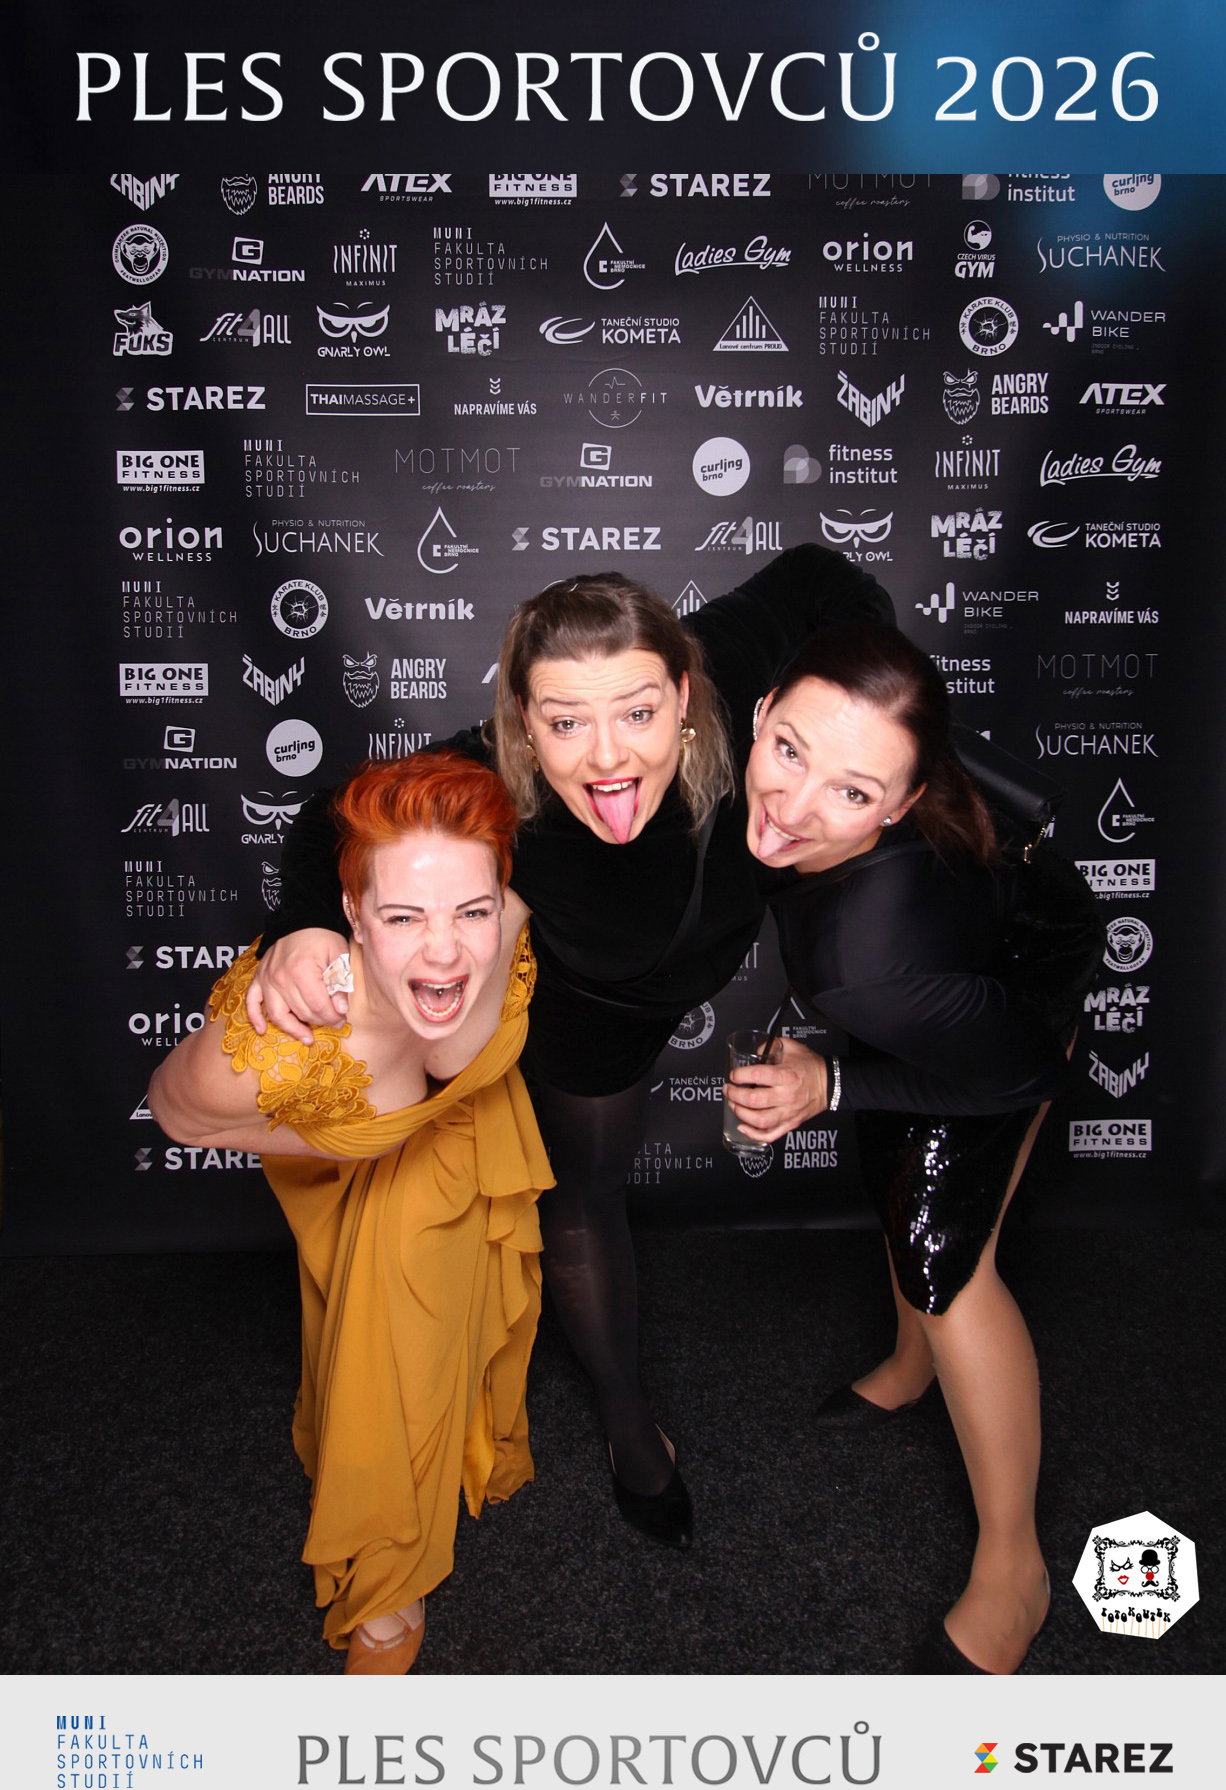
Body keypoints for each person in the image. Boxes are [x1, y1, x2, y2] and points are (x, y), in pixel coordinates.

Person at [247, 548, 894, 1546]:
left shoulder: (727, 666)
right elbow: (331, 816)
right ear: (521, 722)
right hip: (591, 1014)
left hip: (712, 939)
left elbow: (820, 575)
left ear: (684, 692)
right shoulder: (482, 776)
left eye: (637, 712)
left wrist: (862, 720)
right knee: (585, 1196)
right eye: (563, 723)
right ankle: (630, 1427)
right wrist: (301, 925)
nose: (606, 757)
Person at [725, 622, 1104, 1674]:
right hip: (927, 966)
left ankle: (1014, 1569)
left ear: (897, 804)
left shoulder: (869, 964)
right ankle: (909, 1368)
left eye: (850, 792)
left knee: (943, 1255)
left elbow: (1019, 1072)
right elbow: (813, 579)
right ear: (760, 711)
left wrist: (833, 1082)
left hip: (1013, 989)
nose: (791, 805)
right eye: (789, 749)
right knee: (890, 1175)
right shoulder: (831, 822)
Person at [148, 753, 552, 1673]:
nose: (445, 952)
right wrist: (348, 1137)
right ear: (351, 917)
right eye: (403, 917)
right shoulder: (291, 1038)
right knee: (389, 1363)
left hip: (468, 1136)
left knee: (435, 1348)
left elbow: (467, 1017)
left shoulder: (509, 917)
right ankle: (387, 1586)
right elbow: (175, 1111)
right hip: (366, 1161)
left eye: (471, 912)